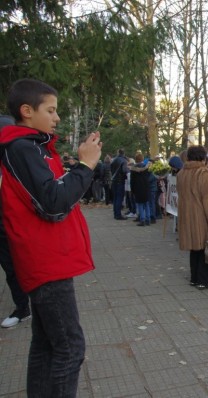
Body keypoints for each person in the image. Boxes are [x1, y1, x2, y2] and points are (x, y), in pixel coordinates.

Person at [0, 78, 102, 396]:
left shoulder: (31, 147)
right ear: (27, 111)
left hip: (47, 259)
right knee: (71, 348)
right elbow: (53, 203)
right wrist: (85, 165)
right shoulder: (21, 147)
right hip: (46, 261)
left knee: (45, 345)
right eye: (52, 110)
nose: (57, 118)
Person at [0, 114, 31, 329]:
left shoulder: (20, 158)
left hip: (16, 224)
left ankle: (28, 307)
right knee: (11, 268)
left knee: (19, 266)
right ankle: (23, 307)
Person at [177, 145, 208, 289]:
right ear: (203, 157)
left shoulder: (181, 173)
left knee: (194, 248)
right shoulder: (203, 174)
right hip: (200, 216)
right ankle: (203, 280)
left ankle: (194, 278)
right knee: (203, 248)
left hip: (186, 215)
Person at [130, 153, 151, 226]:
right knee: (146, 204)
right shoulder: (147, 167)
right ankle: (148, 219)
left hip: (138, 188)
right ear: (142, 159)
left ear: (136, 159)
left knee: (140, 204)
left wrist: (132, 190)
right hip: (146, 187)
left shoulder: (133, 169)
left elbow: (132, 181)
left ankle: (142, 219)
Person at [111, 149, 129, 219]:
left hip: (114, 180)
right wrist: (129, 170)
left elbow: (111, 169)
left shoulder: (114, 160)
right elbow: (124, 170)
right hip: (120, 181)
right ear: (124, 153)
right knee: (119, 198)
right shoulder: (123, 160)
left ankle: (115, 213)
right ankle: (118, 214)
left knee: (115, 198)